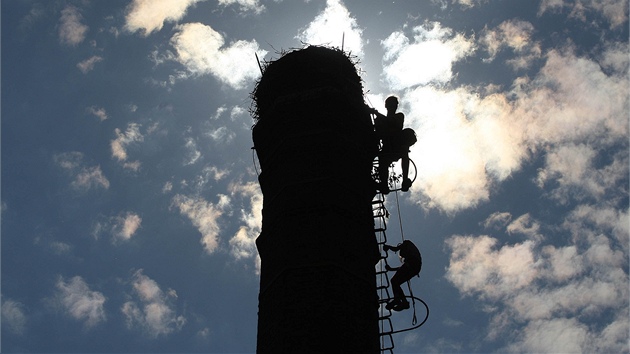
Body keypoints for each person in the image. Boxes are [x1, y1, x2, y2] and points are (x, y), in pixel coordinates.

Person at [370, 96, 416, 194]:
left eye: (394, 104)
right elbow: (377, 132)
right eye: (391, 104)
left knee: (404, 150)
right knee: (383, 161)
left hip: (397, 145)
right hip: (387, 148)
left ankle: (405, 180)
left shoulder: (399, 116)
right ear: (386, 106)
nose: (393, 106)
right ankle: (383, 184)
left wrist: (376, 113)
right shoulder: (380, 120)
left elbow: (392, 122)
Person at [382, 240, 422, 311]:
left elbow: (396, 249)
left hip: (413, 266)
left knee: (394, 281)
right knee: (396, 283)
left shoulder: (406, 244)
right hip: (415, 269)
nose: (403, 256)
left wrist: (388, 247)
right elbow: (403, 268)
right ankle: (404, 302)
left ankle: (398, 299)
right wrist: (391, 269)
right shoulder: (412, 255)